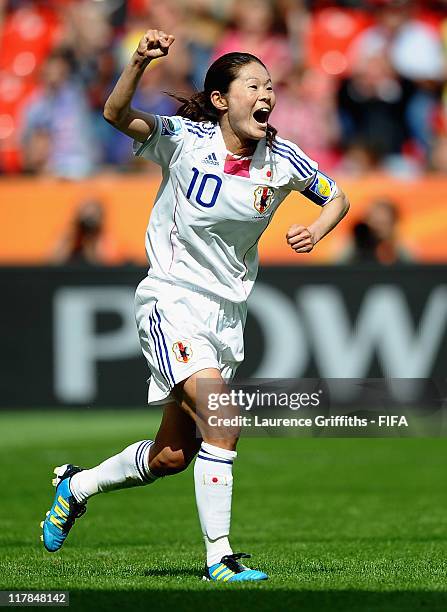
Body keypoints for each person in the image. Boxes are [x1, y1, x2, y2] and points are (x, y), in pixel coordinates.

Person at [41, 29, 349, 582]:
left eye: (270, 85)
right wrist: (138, 62)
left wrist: (319, 228)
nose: (266, 94)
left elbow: (336, 195)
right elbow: (114, 113)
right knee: (225, 419)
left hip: (227, 318)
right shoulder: (184, 140)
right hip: (171, 300)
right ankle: (220, 559)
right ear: (219, 99)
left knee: (171, 458)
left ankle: (76, 486)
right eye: (252, 84)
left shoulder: (281, 159)